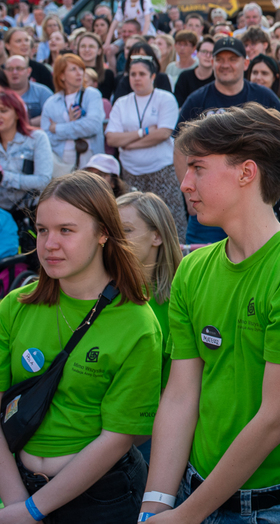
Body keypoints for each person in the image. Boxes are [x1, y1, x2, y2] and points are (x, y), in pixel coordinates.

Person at [139, 104, 280, 524]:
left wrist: (184, 516)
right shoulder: (194, 268)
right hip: (193, 494)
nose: (184, 183)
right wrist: (155, 504)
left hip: (279, 506)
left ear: (246, 173)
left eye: (197, 168)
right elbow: (180, 394)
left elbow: (274, 420)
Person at [0, 171, 161, 524]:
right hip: (15, 486)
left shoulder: (137, 323)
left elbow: (118, 438)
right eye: (42, 230)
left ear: (104, 233)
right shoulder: (14, 306)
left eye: (66, 230)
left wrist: (32, 510)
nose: (49, 243)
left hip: (102, 498)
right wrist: (14, 501)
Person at [173, 38, 280, 244]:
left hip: (253, 207)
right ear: (212, 62)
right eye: (220, 59)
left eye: (232, 59)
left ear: (245, 63)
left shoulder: (264, 98)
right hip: (208, 207)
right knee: (204, 268)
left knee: (255, 265)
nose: (225, 64)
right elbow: (180, 150)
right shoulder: (197, 101)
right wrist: (190, 195)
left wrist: (273, 189)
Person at [105, 54, 185, 235]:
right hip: (131, 173)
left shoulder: (165, 98)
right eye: (133, 74)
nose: (137, 78)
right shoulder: (121, 103)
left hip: (162, 171)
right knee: (136, 227)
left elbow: (164, 133)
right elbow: (112, 139)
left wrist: (129, 143)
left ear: (153, 77)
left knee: (171, 224)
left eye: (141, 74)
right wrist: (145, 131)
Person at [117, 190, 183, 399]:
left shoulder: (180, 304)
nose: (115, 240)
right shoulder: (94, 294)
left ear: (157, 236)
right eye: (111, 230)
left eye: (126, 230)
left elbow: (174, 394)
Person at [40, 54, 105, 175]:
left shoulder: (92, 94)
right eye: (73, 69)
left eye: (81, 69)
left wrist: (58, 128)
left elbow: (92, 126)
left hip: (90, 161)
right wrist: (75, 126)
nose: (79, 73)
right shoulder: (51, 103)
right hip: (61, 164)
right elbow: (46, 137)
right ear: (62, 76)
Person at [3, 56, 52, 126]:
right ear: (4, 72)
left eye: (19, 68)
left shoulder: (43, 92)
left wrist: (26, 124)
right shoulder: (2, 94)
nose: (14, 72)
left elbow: (53, 115)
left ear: (28, 71)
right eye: (10, 69)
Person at [248, 54, 280, 124]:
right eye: (255, 73)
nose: (258, 78)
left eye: (264, 73)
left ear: (275, 77)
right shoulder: (243, 100)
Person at [172, 37, 214, 107]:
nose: (208, 56)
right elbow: (178, 105)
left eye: (212, 53)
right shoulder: (185, 77)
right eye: (204, 52)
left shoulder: (218, 79)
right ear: (197, 54)